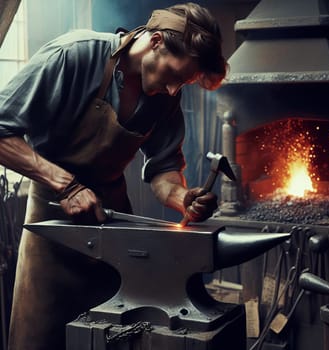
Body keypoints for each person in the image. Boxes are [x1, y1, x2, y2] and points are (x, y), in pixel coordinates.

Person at [0, 2, 227, 349]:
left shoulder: (166, 96)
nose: (172, 91)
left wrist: (182, 197)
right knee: (37, 340)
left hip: (112, 230)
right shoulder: (73, 56)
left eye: (182, 84)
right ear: (155, 42)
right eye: (174, 76)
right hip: (52, 229)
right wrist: (66, 184)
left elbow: (163, 171)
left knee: (117, 336)